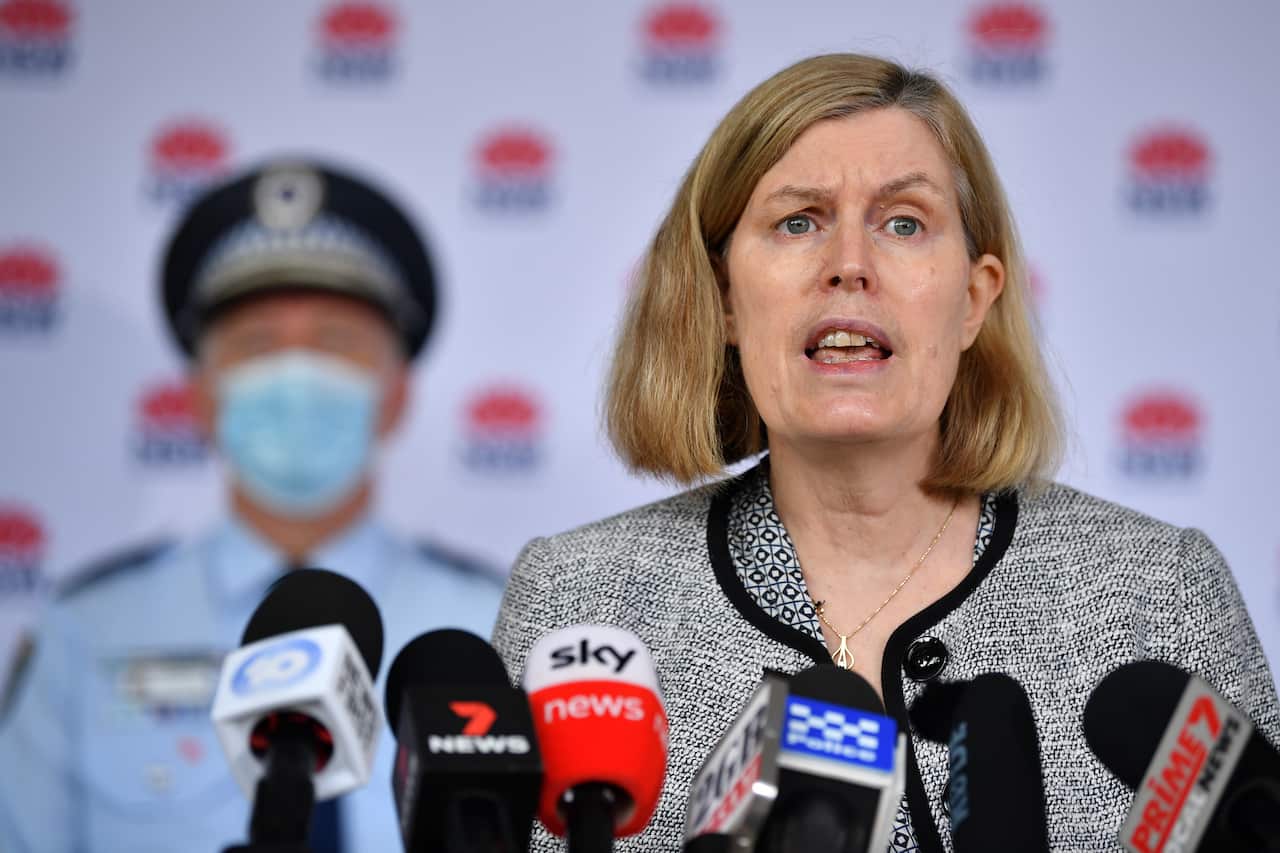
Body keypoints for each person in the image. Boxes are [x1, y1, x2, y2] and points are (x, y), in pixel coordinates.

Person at [492, 53, 1280, 852]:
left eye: (903, 222)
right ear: (725, 299)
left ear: (974, 299)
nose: (849, 266)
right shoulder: (578, 601)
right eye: (798, 220)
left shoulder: (1157, 591)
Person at [0, 160, 505, 852]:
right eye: (256, 343)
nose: (295, 375)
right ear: (200, 397)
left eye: (335, 341)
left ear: (395, 396)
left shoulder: (497, 625)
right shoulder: (84, 634)